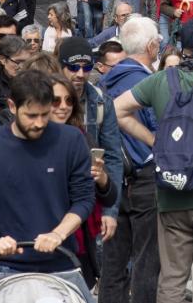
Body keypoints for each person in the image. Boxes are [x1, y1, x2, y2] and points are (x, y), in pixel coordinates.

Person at [113, 12, 193, 303]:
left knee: (171, 278)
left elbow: (116, 109)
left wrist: (154, 141)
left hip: (170, 194)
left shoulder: (159, 81)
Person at [0, 69, 96, 300]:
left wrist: (57, 234)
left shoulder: (71, 139)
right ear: (12, 106)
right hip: (3, 266)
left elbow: (84, 199)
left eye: (45, 114)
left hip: (62, 264)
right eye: (31, 115)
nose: (39, 123)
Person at [98, 15, 161, 303]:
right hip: (144, 176)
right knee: (147, 261)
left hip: (111, 179)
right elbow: (157, 128)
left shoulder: (103, 82)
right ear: (151, 47)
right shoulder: (149, 83)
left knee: (113, 263)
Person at [58, 36, 124, 243]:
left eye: (86, 67)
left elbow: (112, 157)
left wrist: (110, 211)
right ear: (60, 65)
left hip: (90, 199)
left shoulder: (101, 101)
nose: (80, 74)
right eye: (73, 67)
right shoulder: (43, 96)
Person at [0, 35, 29, 128]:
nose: (22, 67)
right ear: (3, 59)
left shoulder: (27, 77)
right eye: (18, 62)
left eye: (25, 62)